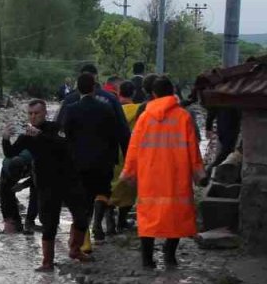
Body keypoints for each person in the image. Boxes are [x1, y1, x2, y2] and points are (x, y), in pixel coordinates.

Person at [119, 76, 205, 269]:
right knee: (177, 215)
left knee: (148, 217)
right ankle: (169, 254)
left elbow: (134, 148)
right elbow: (193, 148)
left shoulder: (145, 117)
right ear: (172, 92)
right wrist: (199, 172)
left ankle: (147, 260)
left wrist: (128, 173)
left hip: (150, 175)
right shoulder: (183, 117)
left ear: (153, 94)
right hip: (176, 175)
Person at [13, 99, 91, 270]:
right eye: (30, 114)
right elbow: (10, 152)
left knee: (81, 217)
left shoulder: (55, 128)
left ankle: (75, 249)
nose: (33, 117)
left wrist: (39, 135)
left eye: (37, 113)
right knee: (49, 224)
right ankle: (47, 262)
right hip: (45, 184)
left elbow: (64, 146)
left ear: (45, 113)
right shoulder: (26, 134)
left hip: (69, 180)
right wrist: (5, 137)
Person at [60, 72, 127, 247]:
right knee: (103, 192)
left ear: (77, 87)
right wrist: (122, 156)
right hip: (103, 160)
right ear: (94, 87)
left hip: (79, 161)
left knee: (83, 200)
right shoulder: (106, 107)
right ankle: (98, 221)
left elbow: (64, 135)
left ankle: (84, 240)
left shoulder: (71, 108)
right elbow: (117, 133)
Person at [105, 80, 143, 233]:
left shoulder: (112, 109)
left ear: (119, 93)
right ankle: (122, 221)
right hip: (130, 152)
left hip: (112, 152)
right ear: (133, 93)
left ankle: (108, 218)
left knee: (110, 186)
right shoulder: (139, 110)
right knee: (129, 189)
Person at [0, 106, 42, 234]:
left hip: (34, 167)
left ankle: (30, 220)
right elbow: (4, 195)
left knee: (37, 188)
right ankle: (15, 222)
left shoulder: (31, 160)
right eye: (30, 113)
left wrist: (23, 185)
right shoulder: (7, 168)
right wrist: (9, 219)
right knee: (6, 192)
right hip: (10, 169)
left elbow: (37, 177)